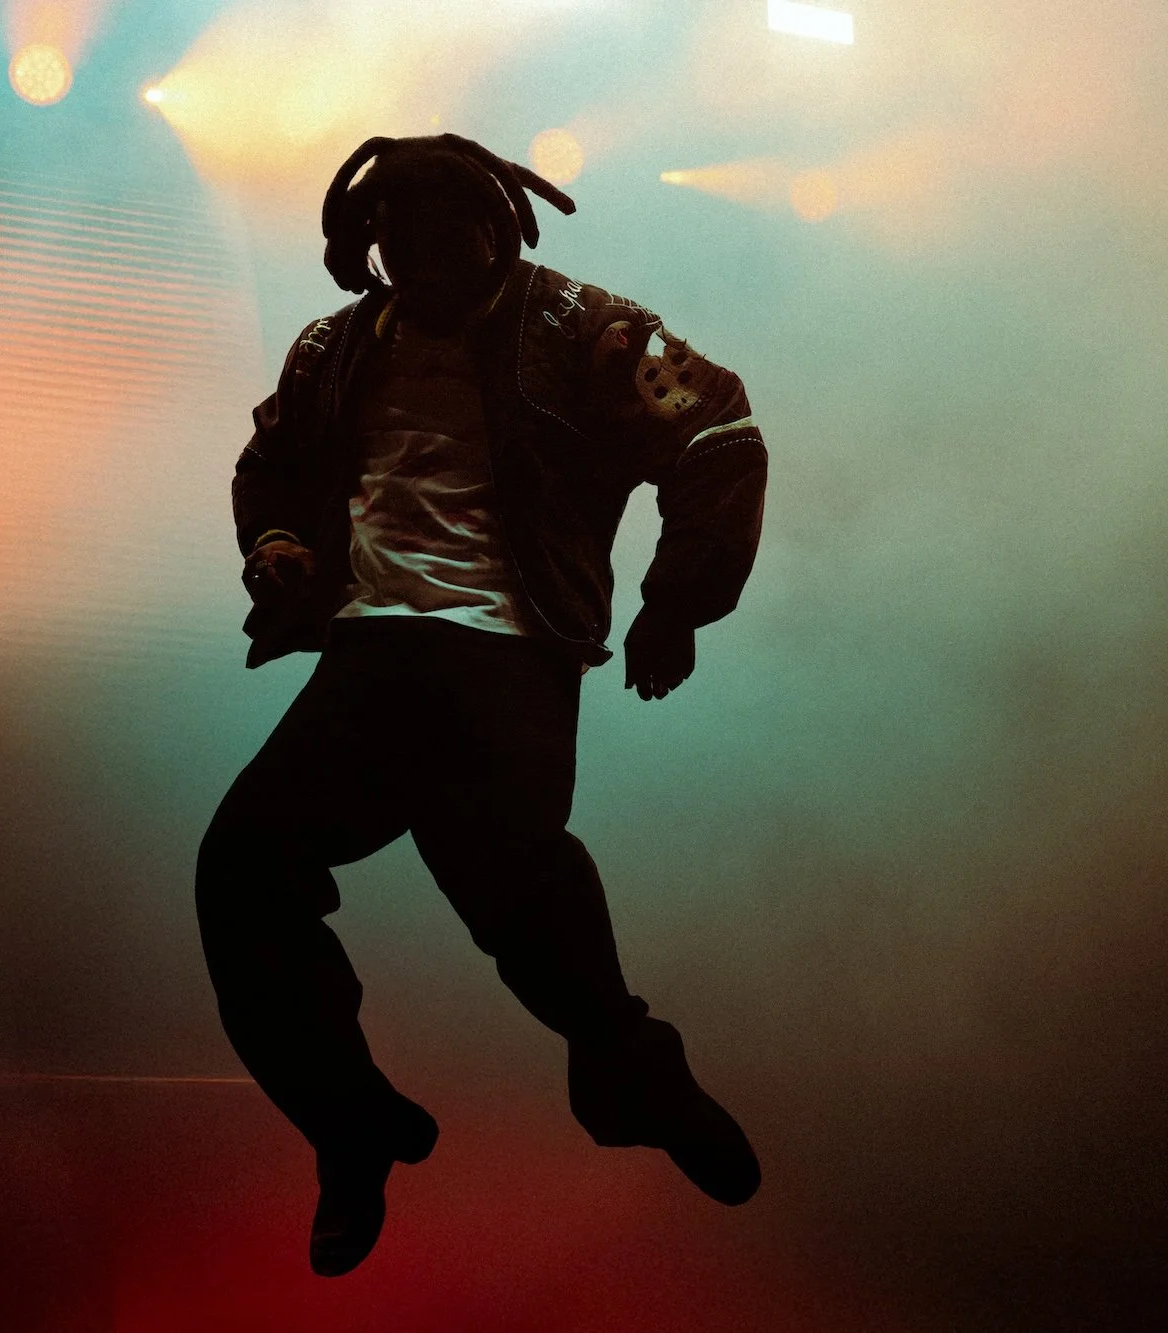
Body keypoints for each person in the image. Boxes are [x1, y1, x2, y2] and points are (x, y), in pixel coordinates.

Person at [195, 134, 769, 1277]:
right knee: (244, 877)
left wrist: (676, 605)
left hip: (503, 661)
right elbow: (269, 470)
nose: (418, 267)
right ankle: (357, 1124)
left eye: (439, 242)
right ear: (368, 248)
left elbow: (717, 432)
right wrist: (279, 546)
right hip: (370, 660)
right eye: (394, 247)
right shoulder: (331, 351)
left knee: (519, 898)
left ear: (492, 228)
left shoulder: (585, 331)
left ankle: (635, 1077)